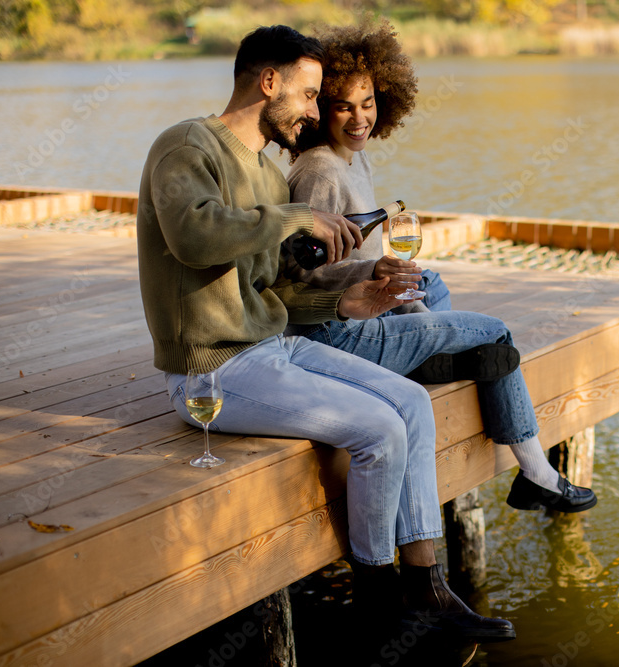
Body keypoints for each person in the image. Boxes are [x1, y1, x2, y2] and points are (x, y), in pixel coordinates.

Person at [135, 24, 514, 642]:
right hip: (211, 369)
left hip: (272, 348)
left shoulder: (261, 173)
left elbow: (273, 293)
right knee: (379, 429)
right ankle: (378, 602)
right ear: (268, 82)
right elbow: (194, 237)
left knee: (413, 404)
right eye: (310, 95)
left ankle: (426, 585)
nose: (315, 111)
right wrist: (297, 215)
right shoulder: (185, 146)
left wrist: (346, 298)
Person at [279, 20, 597, 514]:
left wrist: (390, 277)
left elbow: (356, 256)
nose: (359, 118)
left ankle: (433, 356)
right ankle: (537, 475)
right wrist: (374, 276)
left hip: (372, 310)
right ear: (321, 108)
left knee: (431, 282)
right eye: (343, 106)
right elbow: (296, 278)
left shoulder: (352, 159)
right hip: (337, 333)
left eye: (368, 103)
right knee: (495, 337)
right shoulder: (318, 170)